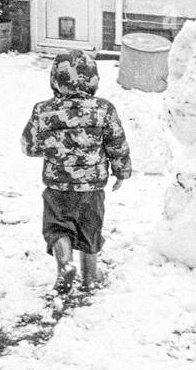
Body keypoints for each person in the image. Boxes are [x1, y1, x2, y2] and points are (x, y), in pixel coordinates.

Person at [21, 50, 131, 293]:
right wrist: (121, 171)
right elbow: (116, 143)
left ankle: (66, 264)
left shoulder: (43, 110)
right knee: (90, 231)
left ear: (55, 79)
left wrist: (52, 146)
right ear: (93, 79)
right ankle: (90, 278)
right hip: (91, 189)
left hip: (58, 187)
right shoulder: (104, 109)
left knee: (58, 228)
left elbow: (29, 146)